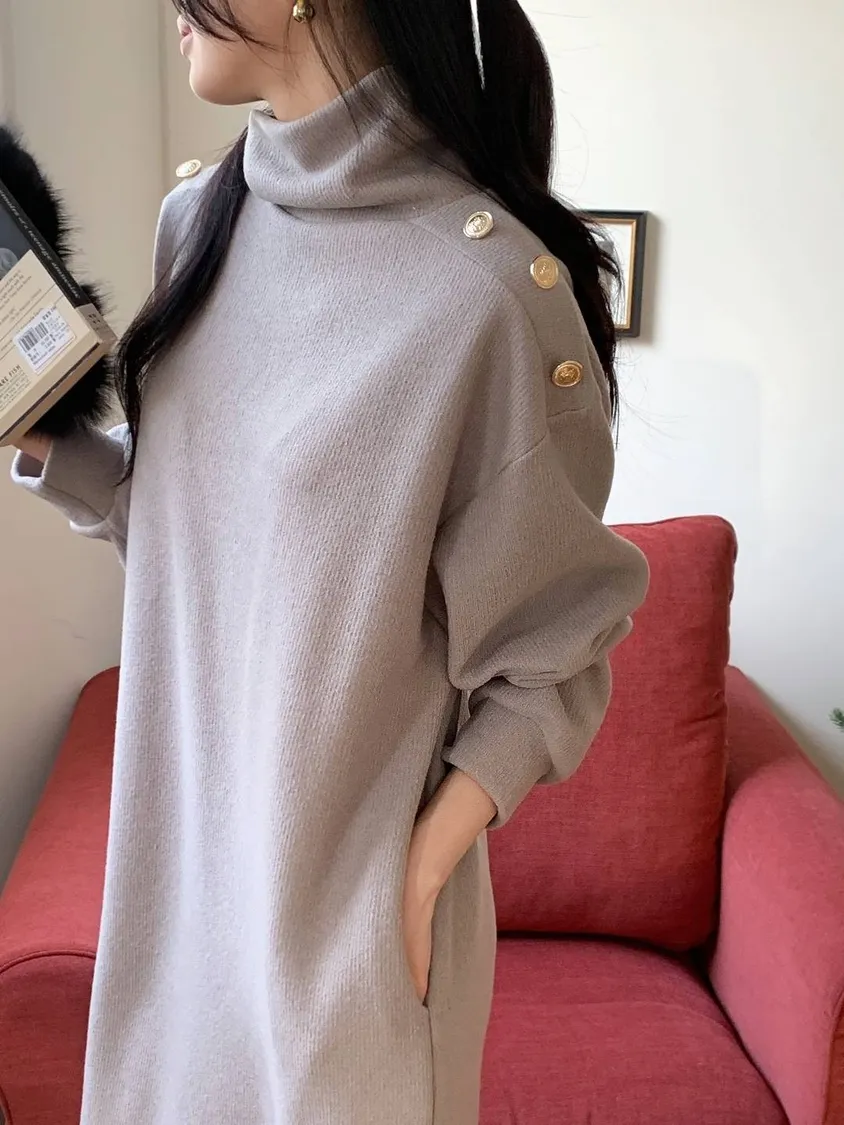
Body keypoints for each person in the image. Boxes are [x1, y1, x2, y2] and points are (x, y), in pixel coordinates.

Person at [12, 1, 649, 1122]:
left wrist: (420, 870)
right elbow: (190, 531)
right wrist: (43, 439)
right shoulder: (197, 221)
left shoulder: (487, 294)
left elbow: (554, 655)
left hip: (345, 958)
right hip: (176, 907)